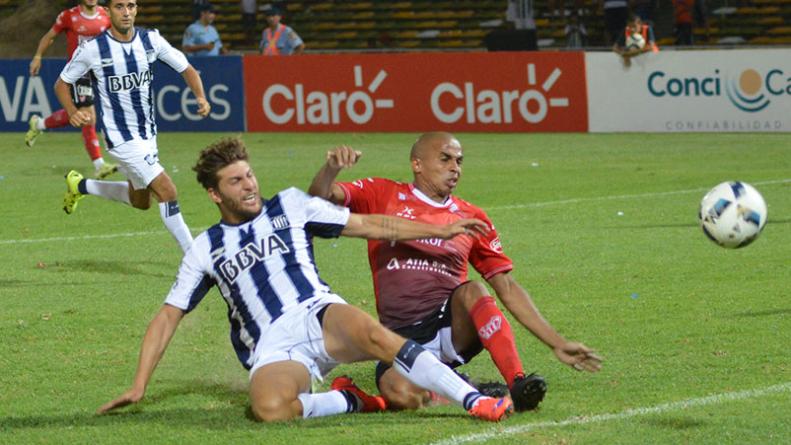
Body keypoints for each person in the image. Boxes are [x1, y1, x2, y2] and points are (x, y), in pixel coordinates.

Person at [96, 137, 514, 423]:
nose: (249, 185)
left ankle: (474, 400)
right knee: (269, 409)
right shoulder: (205, 248)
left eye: (249, 175)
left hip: (318, 313)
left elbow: (370, 224)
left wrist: (438, 230)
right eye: (235, 181)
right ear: (214, 194)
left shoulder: (292, 206)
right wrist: (138, 384)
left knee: (371, 332)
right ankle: (352, 400)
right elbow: (169, 316)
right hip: (273, 346)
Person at [308, 133, 602, 412]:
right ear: (417, 164)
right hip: (399, 337)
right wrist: (331, 169)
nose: (454, 168)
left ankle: (517, 383)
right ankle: (471, 389)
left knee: (474, 289)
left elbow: (507, 287)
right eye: (445, 159)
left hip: (451, 327)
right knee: (400, 394)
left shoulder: (471, 217)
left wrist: (557, 343)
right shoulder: (382, 193)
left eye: (459, 161)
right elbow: (318, 202)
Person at [54, 0, 210, 254]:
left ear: (136, 9)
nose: (126, 12)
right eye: (119, 6)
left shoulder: (151, 41)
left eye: (131, 6)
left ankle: (80, 185)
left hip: (147, 135)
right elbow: (61, 84)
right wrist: (72, 111)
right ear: (107, 11)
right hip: (120, 138)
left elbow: (187, 68)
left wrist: (201, 97)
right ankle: (196, 259)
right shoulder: (93, 49)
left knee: (141, 201)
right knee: (167, 190)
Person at [26, 0, 118, 180]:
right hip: (78, 71)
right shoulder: (69, 16)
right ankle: (99, 165)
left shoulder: (105, 15)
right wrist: (38, 56)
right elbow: (49, 36)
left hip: (98, 71)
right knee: (87, 116)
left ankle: (39, 124)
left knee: (76, 114)